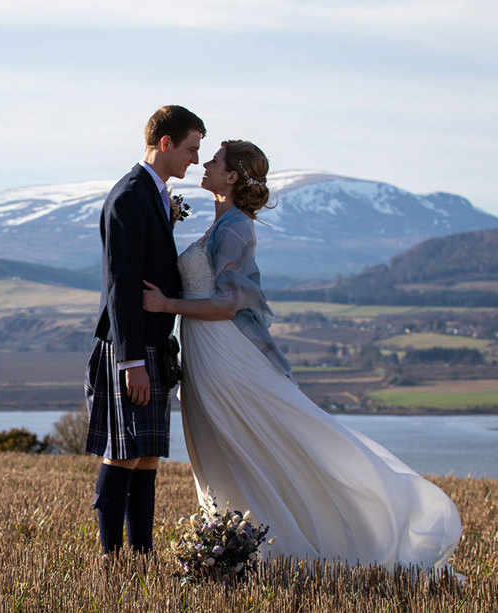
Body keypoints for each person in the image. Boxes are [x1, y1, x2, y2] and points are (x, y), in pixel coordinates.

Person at [143, 140, 462, 572]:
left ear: (232, 176)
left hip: (225, 355)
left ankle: (272, 542)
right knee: (221, 446)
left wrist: (167, 306)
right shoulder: (220, 223)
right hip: (206, 352)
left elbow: (229, 304)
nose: (205, 164)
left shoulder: (236, 226)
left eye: (215, 161)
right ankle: (231, 545)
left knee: (254, 442)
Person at [84, 105, 205, 554]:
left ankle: (141, 555)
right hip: (130, 348)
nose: (195, 159)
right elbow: (120, 284)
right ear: (166, 143)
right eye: (192, 148)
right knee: (124, 452)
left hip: (153, 343)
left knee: (148, 455)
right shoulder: (130, 195)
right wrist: (131, 361)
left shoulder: (154, 194)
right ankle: (111, 558)